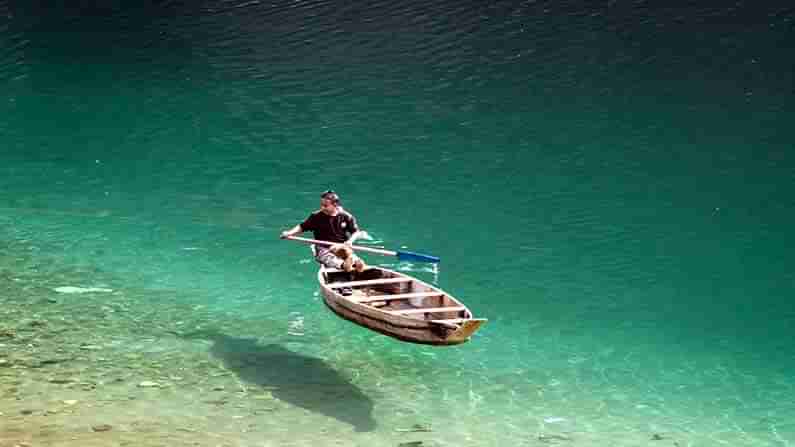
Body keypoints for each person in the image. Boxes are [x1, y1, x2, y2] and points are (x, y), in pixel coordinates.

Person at [280, 190, 368, 275]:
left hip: (341, 247)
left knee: (353, 259)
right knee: (330, 259)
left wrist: (350, 241)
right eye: (321, 205)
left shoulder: (346, 216)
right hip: (324, 248)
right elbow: (302, 227)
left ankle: (356, 264)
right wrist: (289, 233)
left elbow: (356, 232)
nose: (322, 207)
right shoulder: (316, 216)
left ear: (335, 205)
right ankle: (343, 265)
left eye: (325, 205)